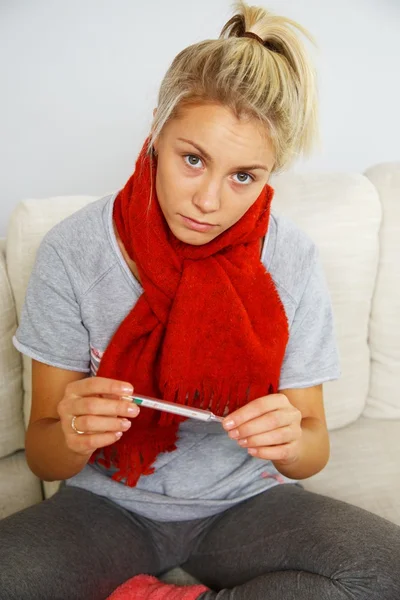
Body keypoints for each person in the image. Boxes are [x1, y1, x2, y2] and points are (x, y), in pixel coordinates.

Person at [1, 2, 400, 599]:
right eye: (193, 159)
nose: (210, 201)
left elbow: (312, 446)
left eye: (244, 176)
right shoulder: (73, 251)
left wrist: (292, 443)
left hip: (246, 504)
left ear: (269, 176)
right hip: (107, 506)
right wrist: (76, 429)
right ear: (156, 136)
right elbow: (44, 454)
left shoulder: (289, 258)